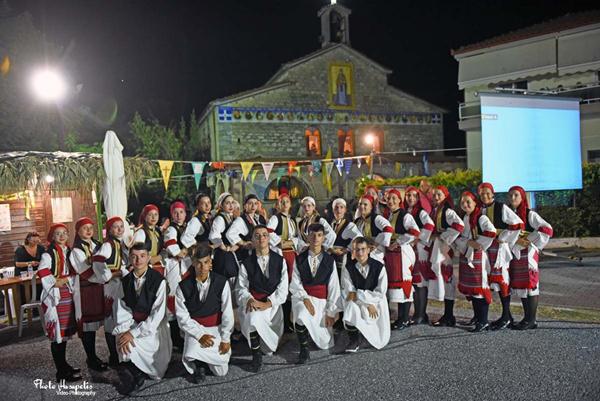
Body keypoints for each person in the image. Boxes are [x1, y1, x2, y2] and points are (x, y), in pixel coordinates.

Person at [113, 243, 171, 395]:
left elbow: (157, 315)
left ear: (148, 257)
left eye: (142, 256)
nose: (138, 260)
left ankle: (143, 369)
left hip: (153, 327)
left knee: (156, 369)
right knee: (122, 339)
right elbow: (122, 309)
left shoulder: (159, 280)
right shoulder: (125, 282)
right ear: (129, 259)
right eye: (134, 257)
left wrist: (133, 333)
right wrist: (126, 330)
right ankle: (135, 374)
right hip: (133, 322)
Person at [175, 246, 233, 382]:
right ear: (193, 263)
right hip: (195, 328)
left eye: (206, 262)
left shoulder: (221, 282)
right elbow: (182, 317)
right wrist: (199, 335)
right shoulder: (183, 286)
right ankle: (199, 365)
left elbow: (227, 313)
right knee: (192, 352)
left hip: (216, 328)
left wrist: (225, 339)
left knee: (221, 372)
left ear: (210, 263)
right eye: (199, 263)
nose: (202, 267)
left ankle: (206, 361)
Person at [235, 225, 289, 372]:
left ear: (269, 238)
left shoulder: (280, 260)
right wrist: (249, 299)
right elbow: (241, 288)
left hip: (273, 306)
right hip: (254, 303)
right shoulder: (246, 263)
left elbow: (283, 288)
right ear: (252, 240)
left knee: (270, 349)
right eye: (257, 236)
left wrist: (269, 303)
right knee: (253, 318)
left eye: (264, 235)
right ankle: (256, 356)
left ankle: (269, 344)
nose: (261, 238)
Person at [290, 224, 341, 364]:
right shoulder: (299, 258)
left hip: (321, 300)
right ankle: (304, 349)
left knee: (325, 342)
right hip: (303, 297)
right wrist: (305, 298)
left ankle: (314, 334)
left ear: (323, 238)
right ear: (307, 237)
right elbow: (295, 282)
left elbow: (334, 287)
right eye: (312, 234)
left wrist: (331, 312)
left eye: (319, 235)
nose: (315, 238)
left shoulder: (329, 260)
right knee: (301, 312)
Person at [38, 224, 81, 382]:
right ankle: (61, 373)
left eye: (64, 233)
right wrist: (57, 281)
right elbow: (42, 271)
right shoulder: (48, 254)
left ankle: (64, 365)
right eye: (58, 234)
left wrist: (67, 279)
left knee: (63, 335)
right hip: (55, 295)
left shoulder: (69, 251)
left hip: (67, 294)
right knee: (57, 334)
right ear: (52, 237)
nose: (62, 236)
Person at [477, 182, 523, 330]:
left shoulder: (501, 207)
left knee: (502, 279)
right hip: (485, 248)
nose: (485, 196)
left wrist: (503, 236)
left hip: (498, 248)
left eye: (487, 193)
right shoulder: (479, 209)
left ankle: (506, 316)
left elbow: (517, 224)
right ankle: (485, 316)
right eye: (482, 193)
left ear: (493, 194)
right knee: (487, 279)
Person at [508, 186, 553, 330]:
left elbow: (547, 229)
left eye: (516, 195)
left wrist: (529, 239)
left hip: (528, 254)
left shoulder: (530, 214)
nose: (512, 198)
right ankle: (526, 318)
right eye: (510, 195)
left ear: (522, 197)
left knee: (531, 285)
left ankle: (532, 319)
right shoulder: (510, 214)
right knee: (522, 284)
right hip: (517, 254)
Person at [69, 217, 107, 371]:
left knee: (100, 322)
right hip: (86, 289)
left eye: (91, 227)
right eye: (85, 228)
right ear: (78, 231)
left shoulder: (98, 244)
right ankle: (91, 358)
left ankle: (102, 356)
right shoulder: (76, 251)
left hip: (99, 288)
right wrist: (104, 278)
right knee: (88, 326)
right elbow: (84, 271)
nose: (89, 230)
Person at [455, 191, 497, 332]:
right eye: (462, 202)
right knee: (472, 290)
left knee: (479, 288)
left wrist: (478, 243)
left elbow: (491, 232)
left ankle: (483, 321)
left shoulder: (481, 217)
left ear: (475, 203)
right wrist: (468, 242)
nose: (465, 204)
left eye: (468, 201)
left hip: (477, 257)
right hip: (466, 254)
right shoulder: (464, 217)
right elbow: (458, 236)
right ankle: (477, 318)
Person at [92, 216, 130, 367]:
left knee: (121, 318)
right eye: (115, 227)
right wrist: (110, 275)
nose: (119, 229)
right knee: (111, 320)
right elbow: (97, 260)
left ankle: (121, 354)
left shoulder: (121, 243)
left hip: (121, 285)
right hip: (112, 286)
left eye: (121, 226)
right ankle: (114, 356)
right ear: (109, 230)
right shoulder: (108, 245)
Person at [341, 237, 390, 352]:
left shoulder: (379, 267)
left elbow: (380, 292)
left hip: (376, 301)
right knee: (350, 307)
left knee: (378, 336)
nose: (360, 253)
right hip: (358, 301)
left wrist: (368, 301)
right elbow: (350, 292)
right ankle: (354, 340)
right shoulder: (348, 268)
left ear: (368, 250)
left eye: (363, 249)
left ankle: (370, 335)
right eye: (357, 250)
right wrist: (367, 304)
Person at [427, 186, 464, 327]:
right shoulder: (436, 209)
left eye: (439, 194)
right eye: (434, 194)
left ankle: (449, 315)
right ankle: (447, 315)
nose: (436, 197)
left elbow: (459, 226)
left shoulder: (447, 211)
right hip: (439, 246)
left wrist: (443, 237)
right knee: (444, 278)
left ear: (445, 196)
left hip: (445, 248)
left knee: (447, 278)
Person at [384, 189, 420, 330]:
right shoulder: (388, 215)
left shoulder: (405, 215)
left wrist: (398, 242)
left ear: (400, 200)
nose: (391, 201)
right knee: (396, 285)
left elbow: (415, 231)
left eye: (394, 198)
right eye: (388, 198)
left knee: (404, 283)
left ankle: (404, 319)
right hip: (392, 254)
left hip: (403, 253)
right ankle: (400, 318)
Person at [402, 186, 434, 325]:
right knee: (414, 282)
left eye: (414, 196)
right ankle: (417, 313)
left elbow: (430, 225)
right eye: (408, 195)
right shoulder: (405, 211)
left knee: (420, 282)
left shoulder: (421, 212)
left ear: (418, 198)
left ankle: (421, 314)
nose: (410, 198)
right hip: (410, 250)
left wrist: (418, 238)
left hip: (420, 250)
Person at [163, 200, 191, 350]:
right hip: (174, 267)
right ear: (171, 215)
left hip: (186, 267)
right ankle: (175, 338)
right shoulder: (171, 229)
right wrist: (184, 252)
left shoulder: (187, 227)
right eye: (175, 213)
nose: (179, 215)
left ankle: (184, 334)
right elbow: (173, 248)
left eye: (181, 212)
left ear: (185, 214)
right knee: (173, 298)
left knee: (185, 299)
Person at [227, 194, 268, 262]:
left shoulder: (258, 218)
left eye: (255, 203)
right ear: (245, 205)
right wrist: (243, 243)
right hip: (248, 256)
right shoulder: (241, 220)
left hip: (259, 253)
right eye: (250, 203)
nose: (253, 206)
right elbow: (229, 234)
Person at [209, 193, 240, 281]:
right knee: (225, 279)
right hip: (223, 256)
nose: (231, 205)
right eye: (227, 203)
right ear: (221, 205)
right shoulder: (220, 219)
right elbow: (213, 235)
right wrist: (224, 247)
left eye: (232, 202)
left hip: (229, 255)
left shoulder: (229, 217)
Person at [353, 194, 393, 263]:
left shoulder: (377, 218)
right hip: (361, 255)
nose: (362, 206)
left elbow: (388, 229)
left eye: (365, 204)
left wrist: (376, 243)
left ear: (371, 207)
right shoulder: (358, 221)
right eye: (360, 204)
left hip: (375, 255)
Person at [328, 198, 361, 274]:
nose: (339, 210)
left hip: (343, 259)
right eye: (336, 207)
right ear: (333, 210)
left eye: (341, 207)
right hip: (331, 257)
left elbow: (358, 237)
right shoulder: (330, 224)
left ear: (345, 210)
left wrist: (348, 249)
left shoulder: (350, 225)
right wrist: (330, 249)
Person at [132, 204, 165, 275]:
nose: (153, 217)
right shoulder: (141, 232)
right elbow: (136, 253)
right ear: (144, 216)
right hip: (143, 267)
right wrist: (150, 259)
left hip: (157, 265)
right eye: (150, 214)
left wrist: (159, 257)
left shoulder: (157, 232)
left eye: (156, 214)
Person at [13, 231, 44, 304]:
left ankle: (38, 306)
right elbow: (17, 264)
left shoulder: (41, 248)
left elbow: (45, 260)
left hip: (36, 275)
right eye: (33, 241)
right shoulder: (20, 249)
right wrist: (29, 263)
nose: (35, 243)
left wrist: (40, 263)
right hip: (22, 276)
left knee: (40, 287)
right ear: (28, 240)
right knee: (26, 292)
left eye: (37, 241)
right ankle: (27, 306)